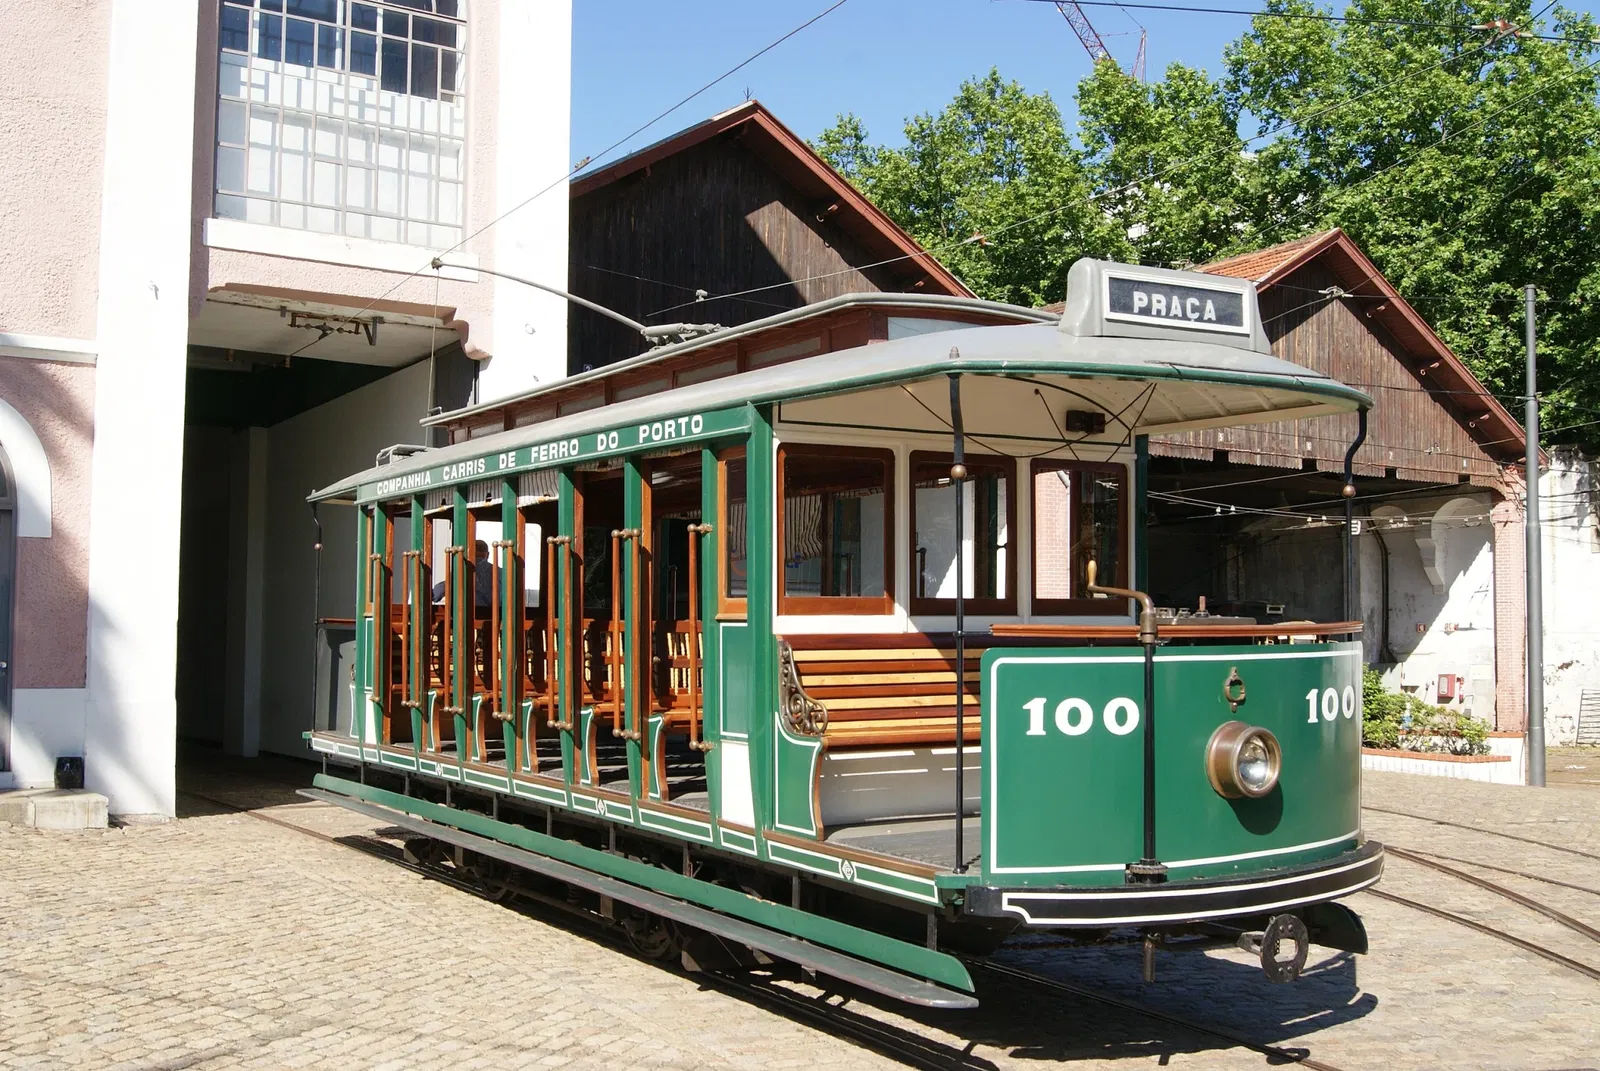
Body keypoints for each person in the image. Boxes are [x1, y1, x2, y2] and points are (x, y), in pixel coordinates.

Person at [431, 540, 495, 607]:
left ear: (469, 553)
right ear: (487, 554)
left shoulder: (461, 571)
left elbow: (437, 594)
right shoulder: (499, 572)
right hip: (496, 616)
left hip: (465, 615)